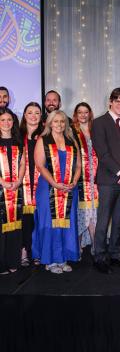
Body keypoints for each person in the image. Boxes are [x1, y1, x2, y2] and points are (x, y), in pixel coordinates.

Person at [92, 88, 120, 274]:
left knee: (119, 221)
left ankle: (115, 254)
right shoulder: (99, 123)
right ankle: (100, 257)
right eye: (118, 101)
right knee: (103, 221)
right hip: (108, 180)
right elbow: (102, 153)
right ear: (110, 102)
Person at [32, 110, 81, 274]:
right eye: (56, 121)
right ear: (49, 123)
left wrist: (74, 181)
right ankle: (50, 260)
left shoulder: (71, 140)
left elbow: (79, 165)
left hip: (69, 188)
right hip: (48, 188)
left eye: (62, 121)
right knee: (49, 223)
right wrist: (54, 183)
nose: (59, 124)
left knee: (67, 222)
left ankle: (63, 258)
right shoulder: (43, 140)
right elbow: (39, 166)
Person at [0, 108, 25, 274]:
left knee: (15, 227)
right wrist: (2, 182)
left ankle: (13, 260)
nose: (6, 123)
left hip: (16, 188)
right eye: (2, 120)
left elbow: (23, 164)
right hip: (0, 189)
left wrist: (18, 180)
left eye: (9, 119)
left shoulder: (18, 142)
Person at [72, 102, 98, 256]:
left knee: (94, 213)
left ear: (90, 114)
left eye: (86, 112)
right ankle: (77, 248)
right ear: (76, 114)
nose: (83, 115)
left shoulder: (96, 131)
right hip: (80, 179)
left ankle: (96, 247)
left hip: (96, 179)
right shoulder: (71, 133)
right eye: (79, 112)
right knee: (81, 213)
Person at [19, 102, 43, 266]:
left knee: (39, 220)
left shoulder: (45, 136)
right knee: (24, 220)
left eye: (36, 113)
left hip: (42, 182)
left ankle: (37, 251)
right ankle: (23, 252)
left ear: (41, 116)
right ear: (25, 115)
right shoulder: (17, 135)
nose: (33, 116)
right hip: (22, 184)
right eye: (30, 113)